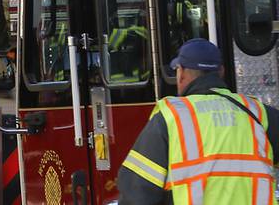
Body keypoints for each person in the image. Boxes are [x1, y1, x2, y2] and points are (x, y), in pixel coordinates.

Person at [118, 38, 279, 204]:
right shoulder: (258, 114)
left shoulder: (170, 119)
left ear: (181, 74)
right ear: (221, 72)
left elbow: (137, 192)